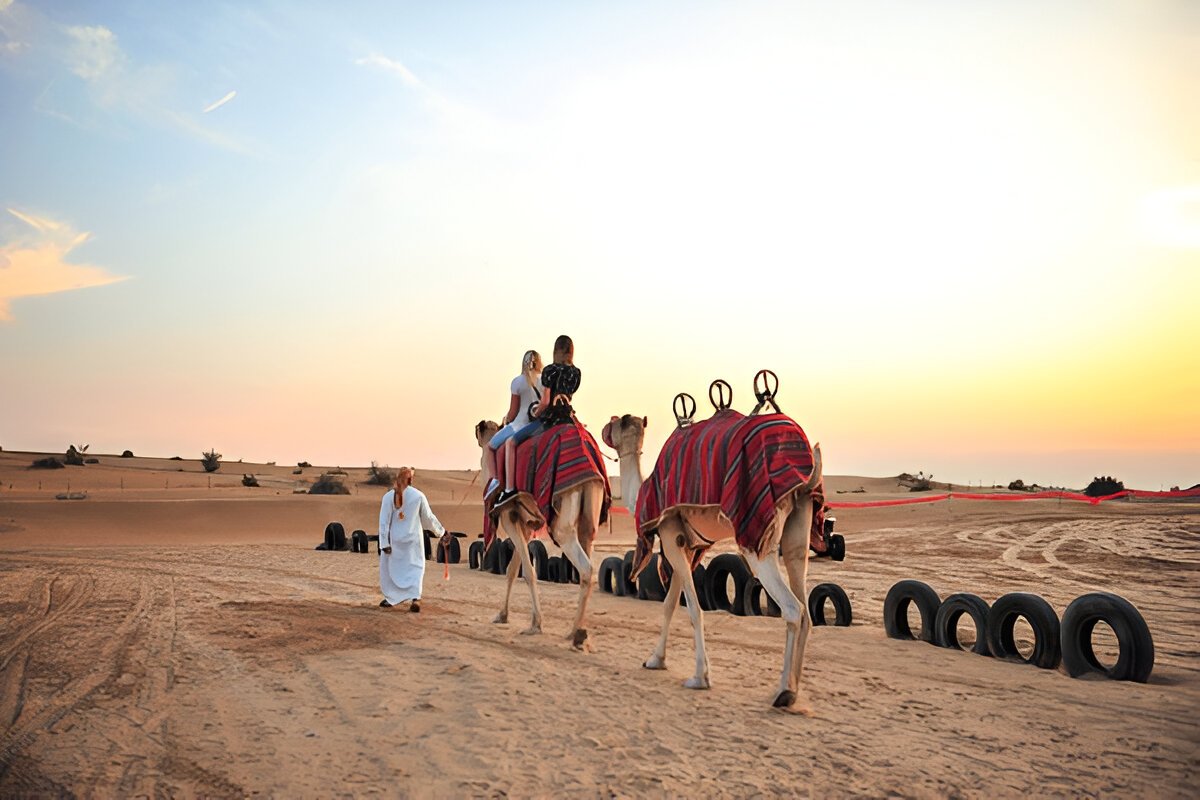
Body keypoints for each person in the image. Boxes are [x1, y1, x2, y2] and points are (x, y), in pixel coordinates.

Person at [494, 334, 581, 506]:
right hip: (569, 419)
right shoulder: (576, 373)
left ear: (556, 351)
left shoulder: (550, 371)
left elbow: (546, 401)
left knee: (511, 442)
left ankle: (509, 489)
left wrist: (536, 412)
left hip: (551, 420)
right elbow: (568, 398)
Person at [378, 467, 446, 612]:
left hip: (394, 541)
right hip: (413, 541)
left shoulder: (388, 497)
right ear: (410, 480)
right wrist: (441, 532)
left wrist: (384, 543)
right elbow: (428, 518)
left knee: (391, 571)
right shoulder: (418, 496)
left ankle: (391, 598)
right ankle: (416, 598)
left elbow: (383, 522)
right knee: (415, 569)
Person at [483, 350, 544, 498]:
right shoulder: (544, 380)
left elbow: (514, 411)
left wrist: (505, 420)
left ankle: (496, 480)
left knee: (490, 447)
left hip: (520, 424)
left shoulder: (518, 382)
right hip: (539, 426)